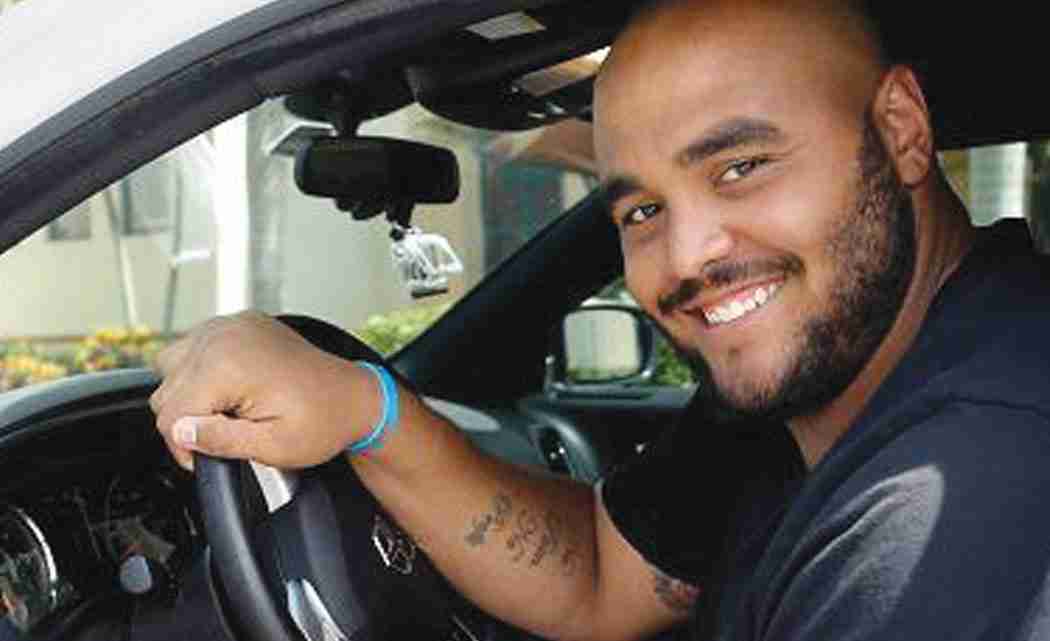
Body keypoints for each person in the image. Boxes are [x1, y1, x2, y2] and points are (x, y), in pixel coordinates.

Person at [151, 1, 1050, 639]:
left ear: (901, 130)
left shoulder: (956, 508)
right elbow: (600, 577)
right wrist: (366, 410)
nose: (688, 256)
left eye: (741, 167)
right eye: (642, 211)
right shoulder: (820, 373)